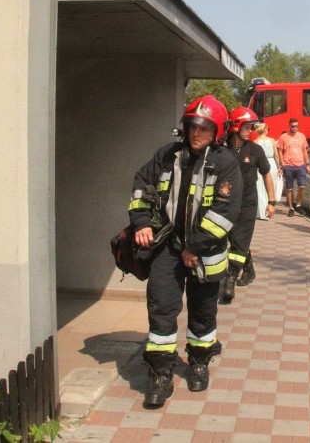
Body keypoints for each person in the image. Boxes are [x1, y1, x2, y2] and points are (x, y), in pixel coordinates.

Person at [128, 95, 243, 409]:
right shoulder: (167, 155)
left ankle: (198, 362)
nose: (197, 133)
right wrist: (141, 222)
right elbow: (141, 184)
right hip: (167, 246)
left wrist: (195, 247)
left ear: (216, 131)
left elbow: (225, 212)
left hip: (206, 251)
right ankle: (160, 375)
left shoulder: (225, 162)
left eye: (205, 128)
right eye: (193, 126)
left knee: (203, 311)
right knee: (161, 308)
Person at [221, 107, 276, 303]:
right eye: (247, 126)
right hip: (225, 203)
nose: (250, 130)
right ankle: (249, 270)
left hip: (247, 203)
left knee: (240, 238)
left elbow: (267, 174)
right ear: (236, 126)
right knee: (236, 239)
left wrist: (271, 201)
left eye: (252, 127)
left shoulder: (255, 150)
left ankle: (230, 280)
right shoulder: (221, 149)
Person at [277, 117, 309, 217]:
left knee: (302, 186)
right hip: (288, 165)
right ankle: (291, 208)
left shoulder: (302, 136)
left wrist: (307, 164)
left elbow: (304, 150)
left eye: (296, 126)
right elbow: (279, 151)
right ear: (289, 126)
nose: (294, 128)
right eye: (292, 126)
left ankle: (298, 205)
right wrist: (282, 164)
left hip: (300, 164)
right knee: (289, 188)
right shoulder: (284, 137)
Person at [253, 122, 283, 219]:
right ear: (265, 130)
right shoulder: (272, 140)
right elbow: (276, 155)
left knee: (260, 188)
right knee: (270, 186)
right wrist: (279, 167)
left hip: (260, 164)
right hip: (271, 163)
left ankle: (261, 212)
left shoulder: (255, 142)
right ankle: (269, 208)